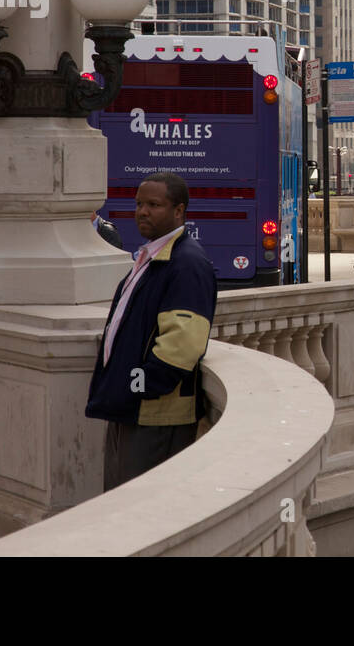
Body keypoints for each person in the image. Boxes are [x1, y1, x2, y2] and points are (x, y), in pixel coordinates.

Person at [85, 172, 217, 491]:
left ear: (179, 211)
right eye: (139, 204)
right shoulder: (152, 257)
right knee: (117, 500)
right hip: (131, 410)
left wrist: (135, 387)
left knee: (138, 503)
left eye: (154, 205)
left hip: (156, 416)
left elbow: (182, 347)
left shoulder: (187, 264)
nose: (142, 212)